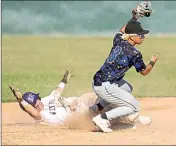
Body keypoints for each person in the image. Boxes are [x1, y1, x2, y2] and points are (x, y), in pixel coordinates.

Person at [91, 2, 157, 133]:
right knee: (134, 107)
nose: (143, 37)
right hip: (104, 85)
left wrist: (135, 17)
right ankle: (103, 118)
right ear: (133, 37)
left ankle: (98, 107)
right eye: (141, 35)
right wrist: (152, 62)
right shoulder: (134, 53)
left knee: (127, 87)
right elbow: (144, 72)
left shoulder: (119, 40)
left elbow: (123, 29)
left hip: (98, 79)